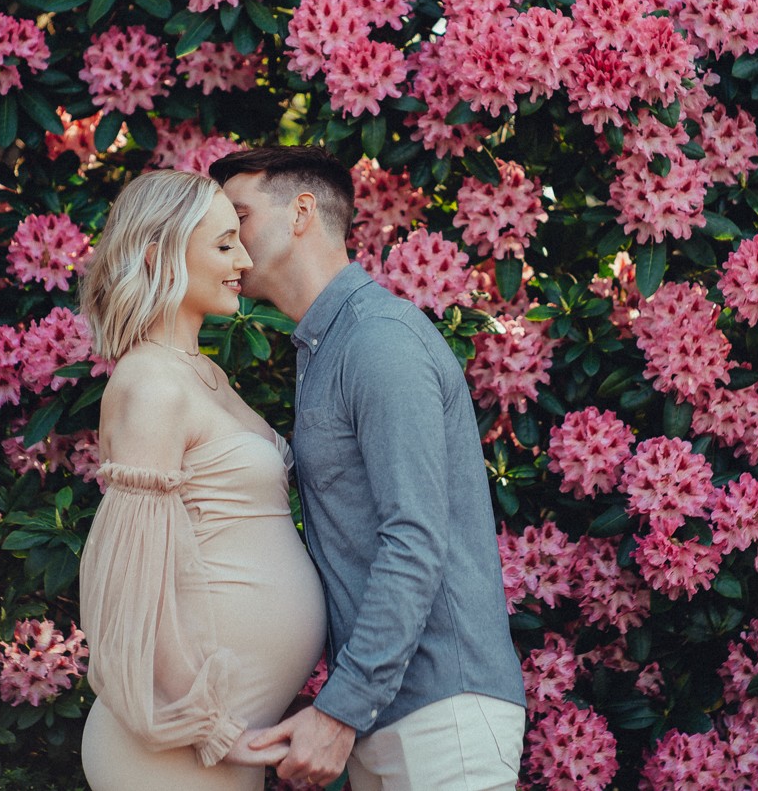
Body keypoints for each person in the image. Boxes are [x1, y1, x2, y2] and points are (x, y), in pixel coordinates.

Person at [208, 146, 526, 791]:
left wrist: (341, 710)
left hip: (443, 714)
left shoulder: (378, 340)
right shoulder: (326, 345)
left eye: (239, 217)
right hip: (389, 718)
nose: (229, 245)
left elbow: (413, 540)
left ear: (301, 213)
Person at [76, 169, 326, 791]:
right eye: (222, 245)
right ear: (161, 252)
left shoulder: (200, 371)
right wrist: (212, 727)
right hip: (174, 744)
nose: (244, 258)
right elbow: (136, 584)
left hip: (213, 741)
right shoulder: (150, 384)